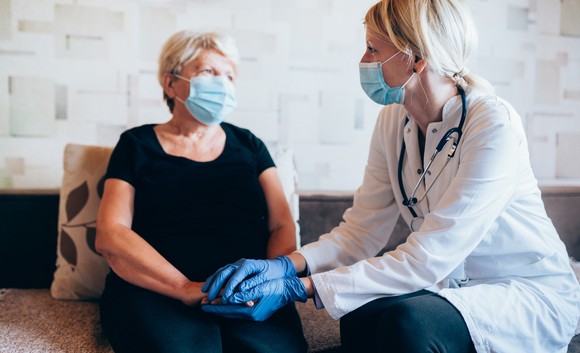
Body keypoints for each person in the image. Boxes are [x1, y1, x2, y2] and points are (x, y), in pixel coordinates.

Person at [200, 1, 580, 352]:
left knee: (408, 323)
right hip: (450, 289)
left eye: (373, 49)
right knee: (359, 316)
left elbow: (429, 259)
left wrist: (301, 287)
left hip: (524, 293)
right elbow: (361, 232)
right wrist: (288, 264)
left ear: (415, 57)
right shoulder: (393, 121)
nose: (363, 60)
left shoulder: (492, 124)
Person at [95, 30, 307, 353]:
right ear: (170, 83)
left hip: (245, 292)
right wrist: (183, 287)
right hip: (156, 292)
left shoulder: (250, 145)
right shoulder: (135, 145)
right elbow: (111, 233)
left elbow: (281, 224)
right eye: (208, 72)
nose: (222, 83)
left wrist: (265, 284)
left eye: (229, 76)